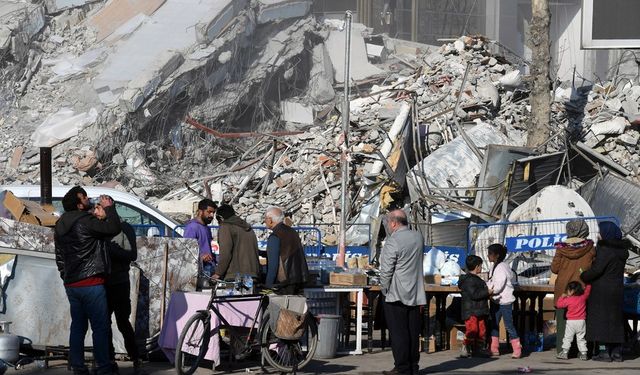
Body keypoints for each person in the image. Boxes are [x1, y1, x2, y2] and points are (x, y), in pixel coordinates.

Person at [54, 187, 121, 375]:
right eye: (84, 197)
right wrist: (109, 208)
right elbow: (113, 228)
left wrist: (65, 276)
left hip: (72, 284)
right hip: (91, 282)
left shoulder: (60, 224)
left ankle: (77, 365)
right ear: (78, 204)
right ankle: (103, 366)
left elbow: (59, 256)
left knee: (78, 326)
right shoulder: (86, 221)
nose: (88, 198)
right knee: (100, 326)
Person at [93, 204, 142, 373]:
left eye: (99, 208)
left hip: (120, 282)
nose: (95, 211)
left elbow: (132, 254)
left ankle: (136, 358)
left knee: (123, 322)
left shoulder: (124, 228)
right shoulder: (98, 227)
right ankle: (109, 360)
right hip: (102, 283)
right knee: (103, 323)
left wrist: (111, 252)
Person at [379, 209, 425, 375]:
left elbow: (386, 270)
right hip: (415, 292)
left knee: (399, 333)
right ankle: (413, 366)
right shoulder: (418, 237)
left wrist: (383, 288)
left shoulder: (393, 240)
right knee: (413, 331)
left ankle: (402, 367)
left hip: (396, 293)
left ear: (393, 223)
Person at [580, 221, 629, 362]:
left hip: (602, 291)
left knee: (600, 323)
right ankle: (617, 352)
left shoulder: (605, 250)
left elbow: (597, 270)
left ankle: (603, 352)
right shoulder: (622, 251)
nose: (599, 235)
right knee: (615, 321)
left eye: (600, 232)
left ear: (606, 233)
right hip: (617, 289)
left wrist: (584, 275)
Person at [550, 219, 595, 355]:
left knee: (564, 323)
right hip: (582, 288)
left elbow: (554, 268)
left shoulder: (561, 248)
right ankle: (583, 351)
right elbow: (593, 267)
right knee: (582, 324)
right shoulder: (590, 248)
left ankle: (562, 350)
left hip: (564, 290)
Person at [263, 206, 309, 294]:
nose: (264, 221)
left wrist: (268, 286)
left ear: (270, 220)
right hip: (298, 280)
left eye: (265, 218)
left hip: (283, 283)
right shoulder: (292, 232)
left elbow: (274, 265)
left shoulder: (275, 236)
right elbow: (286, 252)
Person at [486, 244, 520, 358]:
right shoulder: (494, 266)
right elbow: (491, 281)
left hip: (504, 301)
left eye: (490, 253)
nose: (488, 255)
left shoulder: (502, 267)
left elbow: (499, 285)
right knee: (494, 324)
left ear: (497, 255)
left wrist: (491, 291)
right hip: (496, 300)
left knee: (508, 325)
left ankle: (517, 347)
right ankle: (494, 348)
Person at [212, 204, 260, 281]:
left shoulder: (226, 227)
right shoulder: (248, 228)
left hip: (235, 276)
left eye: (218, 221)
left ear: (221, 218)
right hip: (253, 274)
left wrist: (218, 273)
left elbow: (225, 253)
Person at [457, 255, 491, 358]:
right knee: (473, 329)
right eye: (481, 266)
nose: (481, 268)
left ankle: (478, 349)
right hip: (471, 310)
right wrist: (487, 292)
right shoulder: (470, 280)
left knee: (481, 329)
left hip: (479, 310)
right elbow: (475, 294)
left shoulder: (475, 279)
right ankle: (465, 347)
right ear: (477, 266)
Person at [184, 199, 217, 285]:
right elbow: (186, 250)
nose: (212, 215)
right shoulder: (192, 227)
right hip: (198, 272)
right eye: (209, 212)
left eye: (213, 213)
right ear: (200, 211)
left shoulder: (207, 228)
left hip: (208, 270)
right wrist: (201, 257)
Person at [555, 281, 591, 360]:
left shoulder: (568, 300)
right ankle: (584, 353)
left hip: (571, 322)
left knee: (568, 338)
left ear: (572, 291)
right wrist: (588, 284)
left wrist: (562, 297)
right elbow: (588, 291)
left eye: (568, 290)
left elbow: (559, 305)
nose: (567, 292)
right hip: (581, 321)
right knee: (581, 338)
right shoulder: (583, 297)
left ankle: (564, 353)